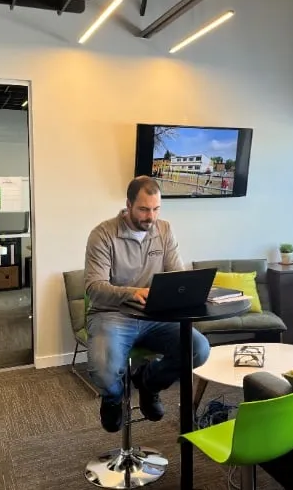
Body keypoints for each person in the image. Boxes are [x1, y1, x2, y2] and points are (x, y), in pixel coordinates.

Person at [84, 175, 210, 432]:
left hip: (156, 315)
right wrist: (133, 292)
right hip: (113, 315)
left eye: (155, 209)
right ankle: (113, 398)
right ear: (128, 205)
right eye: (143, 209)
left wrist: (187, 291)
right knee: (103, 372)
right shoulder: (103, 234)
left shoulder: (164, 230)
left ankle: (149, 382)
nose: (150, 217)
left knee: (198, 349)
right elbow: (93, 288)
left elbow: (178, 275)